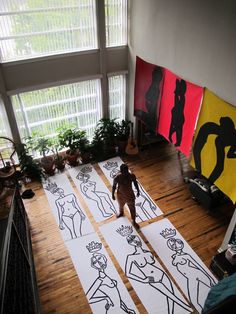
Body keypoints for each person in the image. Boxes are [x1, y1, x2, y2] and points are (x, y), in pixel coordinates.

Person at [124, 234, 192, 313]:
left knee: (171, 297)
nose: (137, 242)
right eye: (134, 242)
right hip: (152, 280)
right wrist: (143, 280)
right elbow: (128, 273)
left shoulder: (148, 253)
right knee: (172, 297)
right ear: (131, 244)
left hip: (162, 275)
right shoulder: (131, 257)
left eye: (137, 240)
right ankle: (187, 308)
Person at [166, 237, 216, 313]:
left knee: (213, 288)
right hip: (190, 278)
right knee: (193, 299)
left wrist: (210, 278)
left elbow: (199, 266)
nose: (174, 246)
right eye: (172, 245)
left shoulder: (186, 256)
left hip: (197, 274)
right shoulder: (175, 256)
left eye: (175, 245)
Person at [112, 163, 140, 229]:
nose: (125, 173)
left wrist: (138, 190)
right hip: (120, 194)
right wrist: (112, 194)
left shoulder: (131, 176)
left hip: (129, 194)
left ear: (128, 170)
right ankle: (121, 213)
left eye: (126, 171)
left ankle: (134, 221)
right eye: (124, 172)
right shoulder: (117, 177)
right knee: (120, 205)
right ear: (121, 171)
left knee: (132, 208)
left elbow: (135, 183)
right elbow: (114, 186)